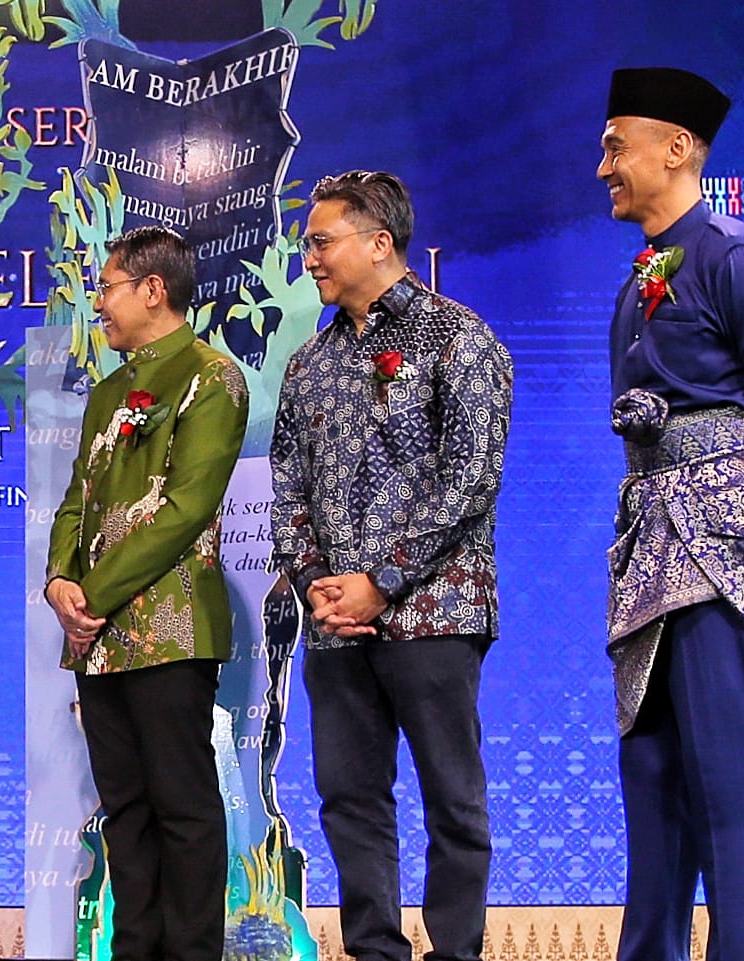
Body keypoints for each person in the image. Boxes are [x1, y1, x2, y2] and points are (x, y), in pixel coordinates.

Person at [596, 67, 744, 961]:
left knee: (731, 783)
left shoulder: (737, 257)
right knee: (651, 778)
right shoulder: (640, 277)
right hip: (646, 551)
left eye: (617, 147)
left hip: (722, 550)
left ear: (677, 149)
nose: (603, 166)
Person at [269, 170, 513, 961]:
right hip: (336, 621)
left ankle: (454, 951)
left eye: (320, 240)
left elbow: (469, 479)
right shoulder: (307, 365)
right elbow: (286, 488)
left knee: (452, 796)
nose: (308, 257)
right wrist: (317, 585)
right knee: (348, 797)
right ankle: (372, 949)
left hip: (434, 610)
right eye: (307, 242)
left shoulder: (458, 338)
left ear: (379, 243)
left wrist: (382, 580)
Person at [43, 226, 248, 961]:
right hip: (97, 639)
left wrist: (89, 596)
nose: (97, 302)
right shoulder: (106, 394)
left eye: (106, 287)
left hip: (168, 629)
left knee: (182, 807)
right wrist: (59, 583)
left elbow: (184, 510)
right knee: (124, 810)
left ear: (152, 290)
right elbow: (77, 499)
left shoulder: (210, 377)